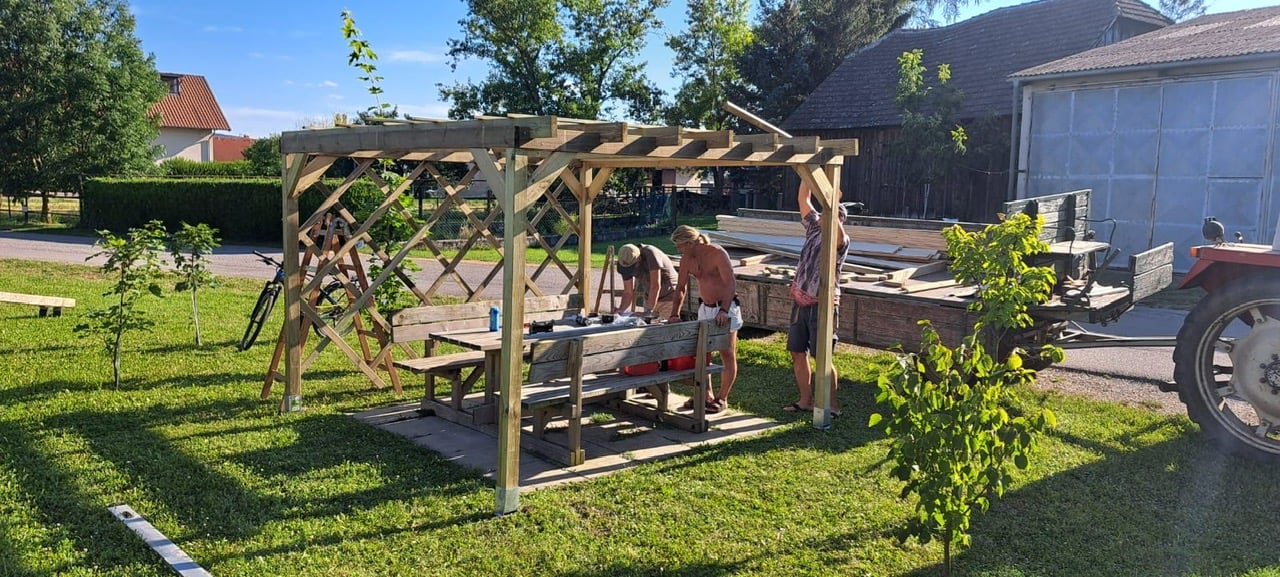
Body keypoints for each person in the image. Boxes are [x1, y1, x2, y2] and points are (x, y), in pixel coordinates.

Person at [783, 183, 851, 418]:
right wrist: (808, 174)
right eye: (822, 214)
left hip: (822, 304)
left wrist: (833, 204)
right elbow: (803, 198)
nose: (821, 217)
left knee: (822, 357)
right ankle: (806, 400)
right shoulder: (813, 228)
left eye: (828, 215)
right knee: (797, 352)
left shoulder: (841, 240)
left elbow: (838, 234)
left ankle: (832, 405)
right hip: (800, 302)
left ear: (839, 219)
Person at [667, 225, 740, 414]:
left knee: (727, 353)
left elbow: (730, 283)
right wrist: (674, 313)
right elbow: (680, 287)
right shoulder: (686, 259)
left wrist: (724, 310)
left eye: (680, 246)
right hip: (705, 308)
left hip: (725, 307)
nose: (679, 250)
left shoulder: (717, 253)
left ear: (689, 243)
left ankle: (722, 398)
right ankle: (705, 395)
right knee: (701, 354)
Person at [613, 243, 677, 321]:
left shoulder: (651, 254)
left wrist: (648, 312)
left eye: (632, 266)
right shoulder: (624, 262)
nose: (630, 269)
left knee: (665, 326)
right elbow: (628, 292)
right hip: (650, 297)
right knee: (647, 326)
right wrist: (620, 310)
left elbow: (655, 285)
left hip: (669, 296)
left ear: (639, 259)